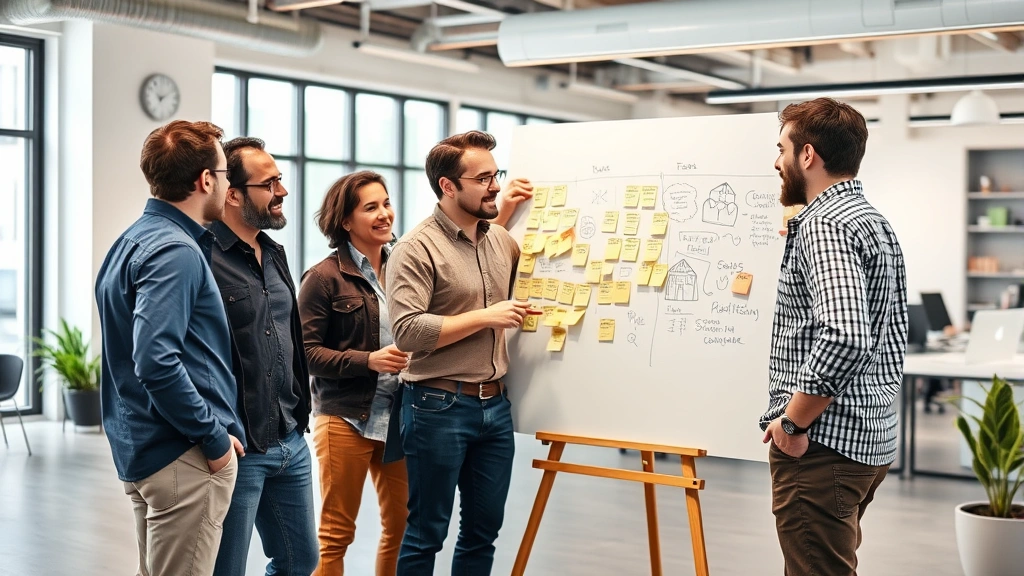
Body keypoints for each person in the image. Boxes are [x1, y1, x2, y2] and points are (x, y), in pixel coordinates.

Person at [759, 98, 908, 576]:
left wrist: (794, 425)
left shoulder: (824, 224)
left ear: (807, 155)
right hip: (866, 437)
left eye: (782, 148)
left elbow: (845, 336)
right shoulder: (870, 220)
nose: (777, 161)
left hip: (823, 444)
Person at [94, 120, 245, 576]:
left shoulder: (131, 240)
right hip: (183, 454)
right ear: (205, 180)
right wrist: (213, 439)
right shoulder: (174, 251)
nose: (228, 186)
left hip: (149, 447)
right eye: (225, 175)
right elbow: (154, 360)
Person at [385, 130, 534, 575]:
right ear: (448, 186)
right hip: (437, 405)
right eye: (483, 178)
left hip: (495, 407)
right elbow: (408, 331)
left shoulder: (501, 241)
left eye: (496, 174)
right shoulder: (415, 248)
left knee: (483, 532)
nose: (495, 186)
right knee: (426, 532)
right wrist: (487, 316)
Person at [210, 137, 318, 576]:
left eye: (280, 179)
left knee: (301, 560)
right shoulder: (204, 257)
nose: (282, 191)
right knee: (227, 568)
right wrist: (215, 432)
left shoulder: (274, 253)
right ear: (233, 193)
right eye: (269, 182)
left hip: (291, 437)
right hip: (241, 446)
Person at [298, 170, 410, 575]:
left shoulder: (405, 267)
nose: (384, 215)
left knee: (403, 526)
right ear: (345, 221)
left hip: (399, 417)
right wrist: (369, 360)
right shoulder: (323, 278)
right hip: (345, 417)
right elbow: (305, 354)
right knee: (335, 536)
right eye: (370, 208)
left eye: (386, 203)